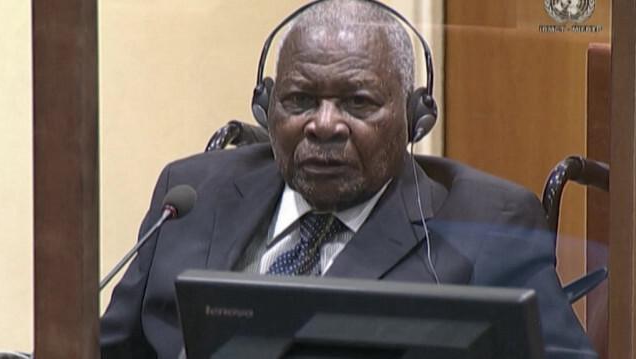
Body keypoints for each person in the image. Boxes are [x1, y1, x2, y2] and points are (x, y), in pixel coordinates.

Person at [100, 0, 597, 358]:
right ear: (266, 107)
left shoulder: (488, 221)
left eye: (358, 103)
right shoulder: (190, 195)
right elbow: (104, 349)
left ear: (414, 117)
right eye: (300, 101)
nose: (324, 124)